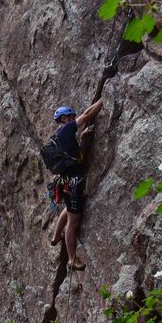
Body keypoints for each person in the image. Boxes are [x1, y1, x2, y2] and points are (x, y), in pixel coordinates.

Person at [49, 99, 103, 271]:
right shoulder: (67, 128)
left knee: (68, 209)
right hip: (73, 183)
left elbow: (74, 155)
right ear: (63, 119)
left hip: (66, 182)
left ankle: (56, 236)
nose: (73, 118)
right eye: (70, 116)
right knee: (74, 221)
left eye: (72, 116)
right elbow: (86, 115)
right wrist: (103, 101)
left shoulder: (58, 135)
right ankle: (72, 259)